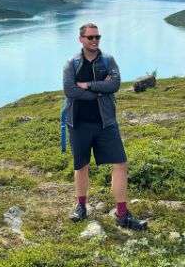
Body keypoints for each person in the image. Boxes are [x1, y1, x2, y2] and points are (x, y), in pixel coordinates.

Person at [62, 22, 148, 231]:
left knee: (120, 163)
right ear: (81, 39)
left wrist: (89, 85)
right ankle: (80, 206)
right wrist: (100, 91)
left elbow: (114, 85)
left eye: (97, 37)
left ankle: (122, 214)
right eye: (90, 37)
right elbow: (69, 91)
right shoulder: (71, 64)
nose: (94, 41)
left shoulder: (108, 61)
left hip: (105, 123)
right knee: (81, 166)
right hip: (79, 123)